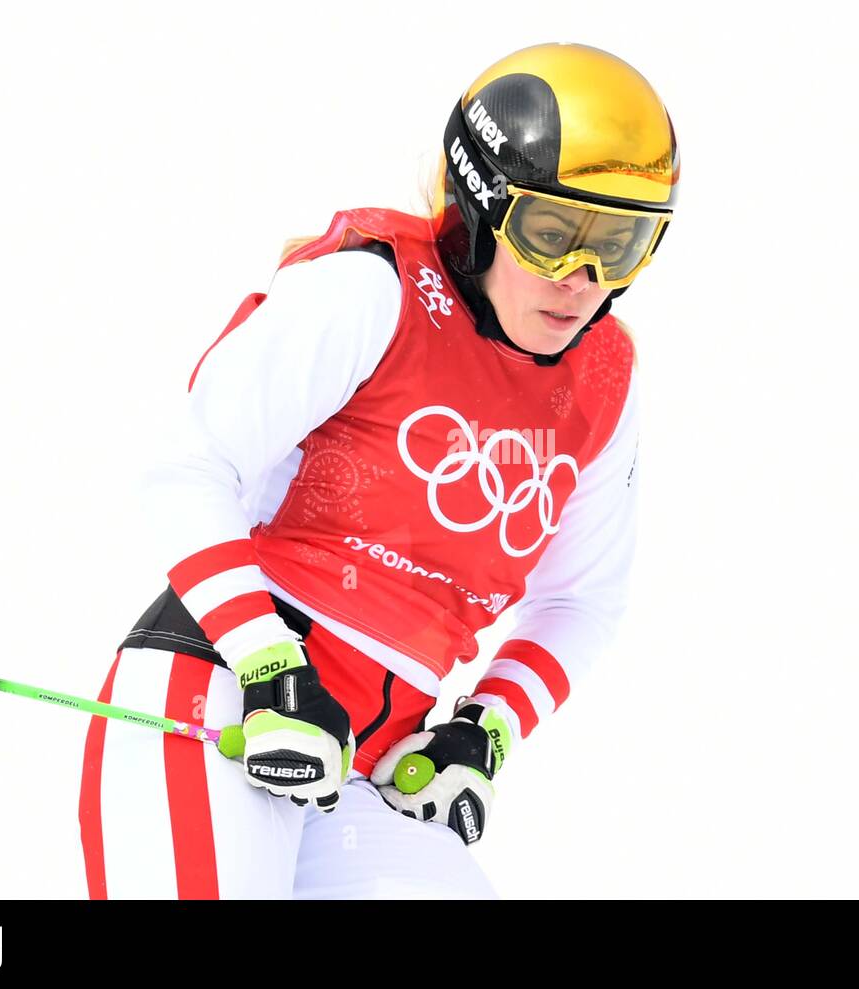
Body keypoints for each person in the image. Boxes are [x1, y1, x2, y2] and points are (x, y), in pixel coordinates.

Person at [76, 40, 679, 899]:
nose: (582, 280)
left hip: (370, 752)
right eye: (552, 235)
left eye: (620, 245)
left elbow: (582, 599)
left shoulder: (604, 380)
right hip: (220, 702)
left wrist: (484, 728)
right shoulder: (372, 294)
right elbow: (184, 465)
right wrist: (266, 663)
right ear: (481, 207)